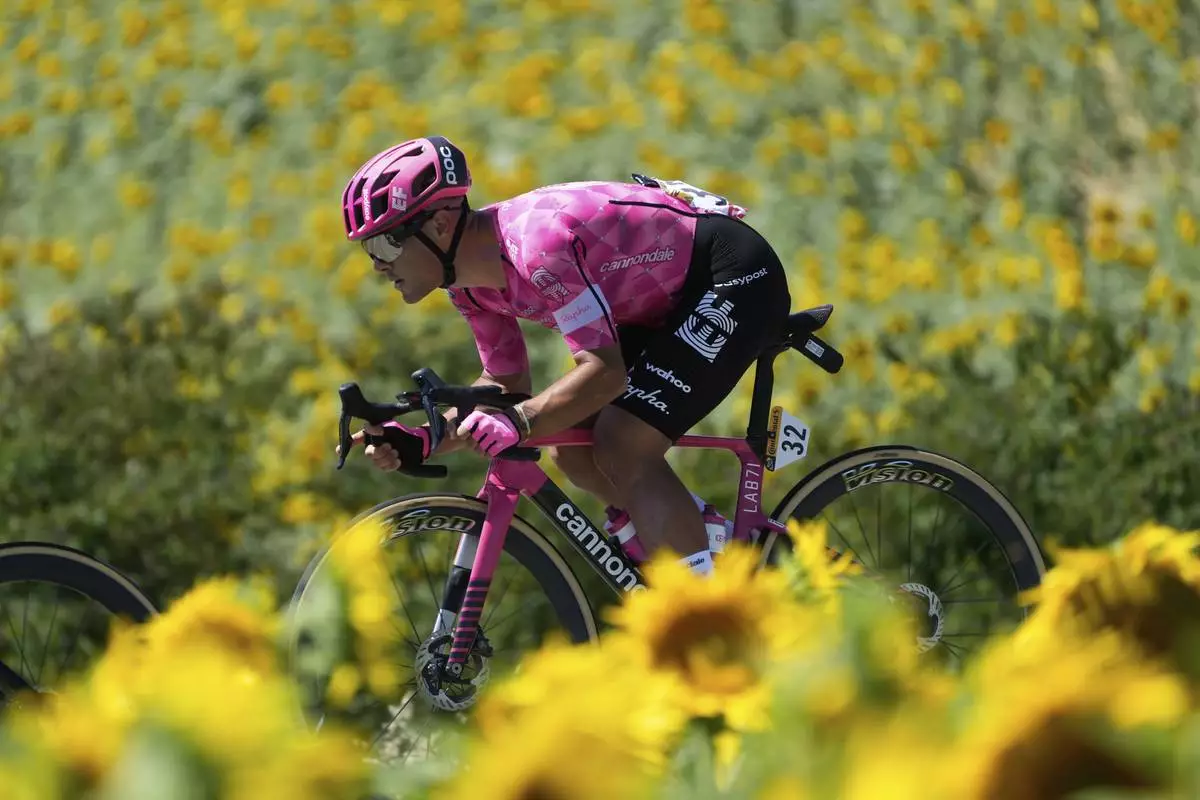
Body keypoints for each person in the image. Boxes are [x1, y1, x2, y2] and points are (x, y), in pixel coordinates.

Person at [338, 135, 791, 576]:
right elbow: (504, 386)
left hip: (730, 275)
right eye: (368, 249)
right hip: (662, 302)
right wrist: (425, 438)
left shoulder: (538, 248)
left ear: (439, 224)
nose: (377, 264)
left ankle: (707, 606)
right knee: (569, 442)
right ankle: (700, 540)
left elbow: (604, 373)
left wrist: (519, 421)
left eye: (385, 243)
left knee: (622, 442)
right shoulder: (468, 287)